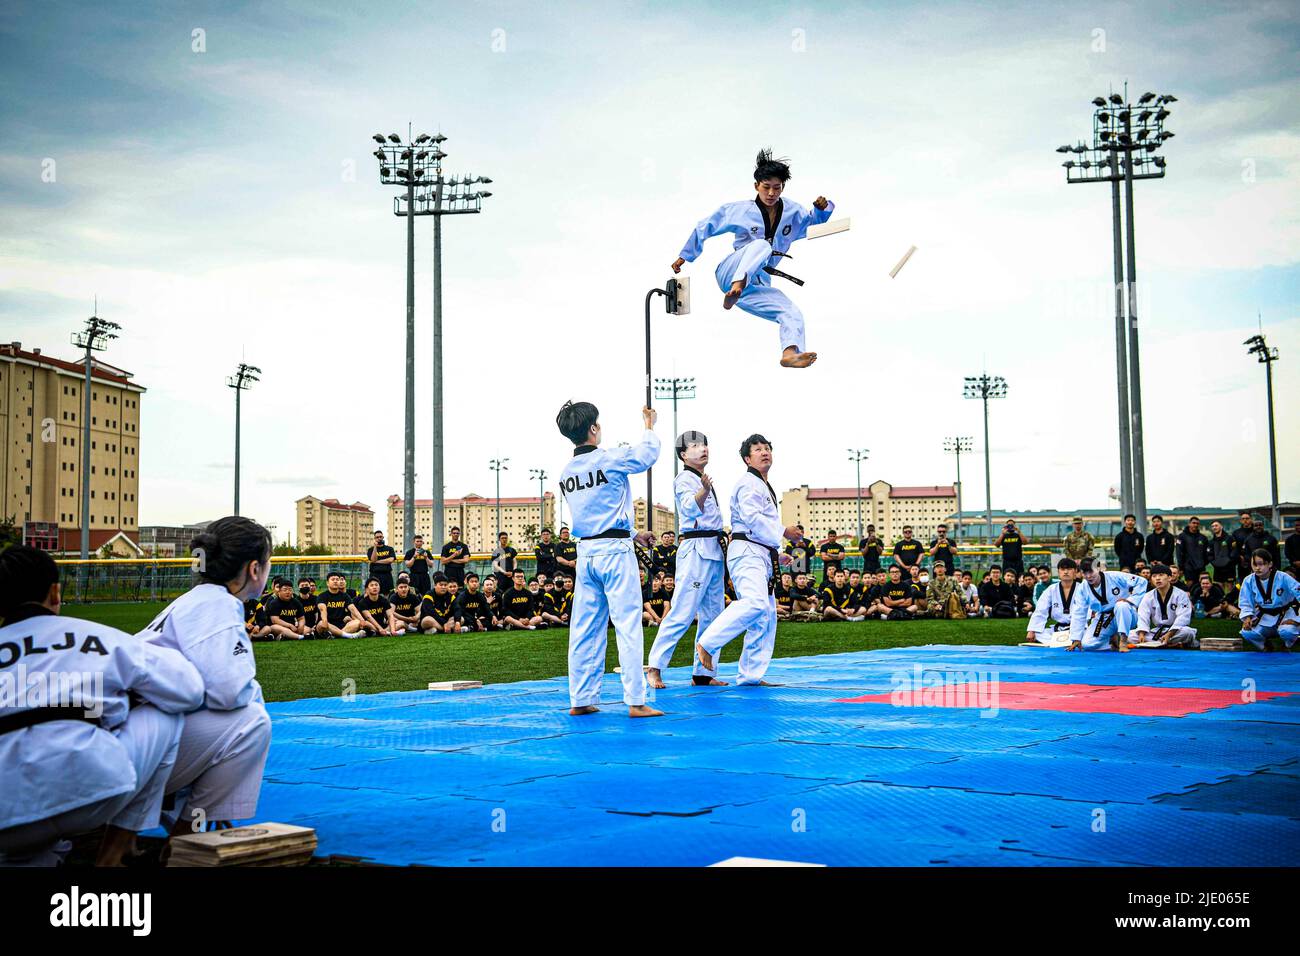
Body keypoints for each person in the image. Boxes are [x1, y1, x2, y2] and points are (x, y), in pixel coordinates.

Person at [0, 546, 204, 867]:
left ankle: (31, 857)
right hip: (95, 791)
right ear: (55, 592)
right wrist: (122, 704)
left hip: (7, 816)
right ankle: (117, 851)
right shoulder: (97, 636)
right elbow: (189, 691)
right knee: (163, 713)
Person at [138, 515, 274, 840]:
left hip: (120, 739)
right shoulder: (218, 605)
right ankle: (186, 838)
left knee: (219, 719)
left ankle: (185, 822)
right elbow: (230, 692)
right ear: (255, 569)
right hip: (129, 754)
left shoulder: (193, 600)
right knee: (250, 721)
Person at [671, 148, 833, 368]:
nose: (771, 193)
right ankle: (738, 284)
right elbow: (706, 227)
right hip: (730, 272)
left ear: (782, 187)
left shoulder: (793, 212)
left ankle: (789, 352)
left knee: (791, 311)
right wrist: (685, 256)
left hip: (754, 286)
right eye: (766, 187)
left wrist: (820, 211)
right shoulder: (740, 210)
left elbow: (811, 227)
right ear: (756, 185)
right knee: (761, 246)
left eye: (777, 188)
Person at [556, 400, 663, 718]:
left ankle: (581, 699)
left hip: (586, 552)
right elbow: (647, 456)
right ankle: (635, 701)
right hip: (615, 554)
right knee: (628, 625)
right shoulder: (610, 458)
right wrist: (648, 425)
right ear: (592, 429)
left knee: (585, 628)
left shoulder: (566, 474)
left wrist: (632, 533)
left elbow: (594, 513)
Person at [696, 434, 802, 683]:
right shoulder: (748, 484)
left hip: (761, 552)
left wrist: (777, 550)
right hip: (746, 552)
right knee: (754, 603)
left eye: (767, 448)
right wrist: (784, 531)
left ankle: (750, 675)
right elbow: (752, 518)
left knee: (765, 615)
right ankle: (707, 643)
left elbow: (760, 525)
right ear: (747, 458)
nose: (764, 452)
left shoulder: (763, 485)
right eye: (758, 449)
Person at [648, 431, 728, 688]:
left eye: (704, 444)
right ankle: (655, 667)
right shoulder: (684, 478)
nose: (702, 449)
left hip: (714, 548)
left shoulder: (703, 479)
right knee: (682, 611)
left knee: (713, 615)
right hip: (695, 548)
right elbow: (689, 508)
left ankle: (703, 673)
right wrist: (703, 490)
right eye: (695, 446)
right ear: (683, 454)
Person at [1068, 556, 1147, 652]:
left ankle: (1123, 640)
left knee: (1121, 605)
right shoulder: (1082, 588)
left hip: (1126, 614)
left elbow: (1142, 582)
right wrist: (1076, 638)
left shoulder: (1115, 576)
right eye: (1085, 573)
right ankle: (1112, 638)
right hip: (1105, 618)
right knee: (1087, 644)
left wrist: (1130, 600)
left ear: (1098, 569)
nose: (1088, 576)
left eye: (1091, 572)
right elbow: (1079, 612)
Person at [1237, 548, 1300, 651]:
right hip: (1263, 614)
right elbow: (1245, 602)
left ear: (1270, 564)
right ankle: (1265, 645)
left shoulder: (1283, 577)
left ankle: (1287, 645)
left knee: (1287, 632)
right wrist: (1247, 617)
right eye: (1254, 564)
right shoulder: (1248, 580)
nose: (1257, 568)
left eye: (1261, 564)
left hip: (1285, 613)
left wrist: (1297, 619)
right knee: (1247, 632)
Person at [1132, 564, 1198, 649]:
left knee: (1188, 632)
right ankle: (1172, 644)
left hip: (1176, 631)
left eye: (1161, 575)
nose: (1157, 578)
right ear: (1151, 580)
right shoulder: (1148, 596)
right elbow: (1143, 616)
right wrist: (1142, 633)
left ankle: (1161, 642)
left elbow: (1183, 617)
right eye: (1154, 576)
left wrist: (1170, 633)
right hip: (1158, 631)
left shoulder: (1181, 595)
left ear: (1169, 578)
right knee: (1131, 635)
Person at [1025, 557, 1079, 646]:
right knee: (1038, 634)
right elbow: (1040, 610)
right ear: (1058, 573)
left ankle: (1060, 642)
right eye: (1062, 569)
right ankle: (1063, 641)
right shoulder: (1051, 590)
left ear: (1075, 572)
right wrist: (1032, 630)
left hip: (1077, 629)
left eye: (1069, 569)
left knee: (1091, 638)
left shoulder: (1082, 589)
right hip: (1058, 629)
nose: (1065, 572)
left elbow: (1088, 613)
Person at [315, 571, 364, 638]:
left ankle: (336, 635)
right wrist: (325, 622)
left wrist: (362, 621)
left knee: (357, 622)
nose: (335, 581)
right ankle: (349, 635)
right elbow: (323, 610)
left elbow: (353, 609)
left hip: (341, 625)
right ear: (327, 583)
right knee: (321, 624)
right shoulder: (322, 596)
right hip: (327, 624)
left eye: (337, 579)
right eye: (333, 579)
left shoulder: (345, 596)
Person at [1176, 517, 1211, 585]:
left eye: (1197, 523)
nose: (1195, 525)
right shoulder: (1182, 536)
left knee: (1201, 587)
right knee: (1190, 588)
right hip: (1188, 568)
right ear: (1189, 524)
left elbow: (1207, 552)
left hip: (1201, 568)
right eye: (1193, 523)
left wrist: (1203, 563)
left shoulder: (1203, 538)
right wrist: (1181, 567)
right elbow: (1179, 552)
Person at [1208, 520, 1236, 584]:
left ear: (1221, 527)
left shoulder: (1230, 538)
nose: (1214, 527)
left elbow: (1234, 552)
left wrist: (1228, 562)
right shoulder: (1211, 542)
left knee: (1230, 590)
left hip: (1229, 568)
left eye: (1216, 525)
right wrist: (1215, 563)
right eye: (1212, 526)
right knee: (1219, 590)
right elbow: (1209, 555)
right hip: (1218, 569)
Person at [1232, 512, 1256, 581]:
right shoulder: (1236, 533)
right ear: (1240, 520)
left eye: (1247, 518)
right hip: (1242, 562)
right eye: (1243, 519)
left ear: (1251, 519)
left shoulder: (1256, 531)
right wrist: (1240, 557)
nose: (1245, 520)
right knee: (1243, 581)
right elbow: (1234, 548)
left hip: (1255, 560)